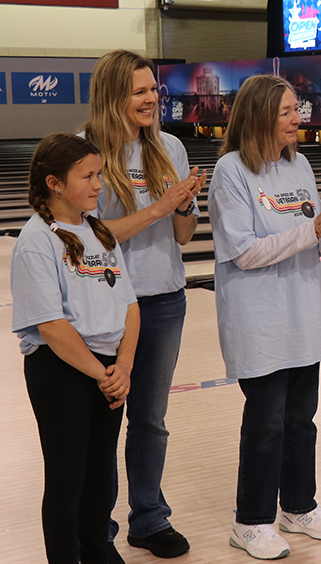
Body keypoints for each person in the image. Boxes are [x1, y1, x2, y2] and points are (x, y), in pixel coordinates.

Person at [208, 74, 321, 560]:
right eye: (286, 111)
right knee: (267, 424)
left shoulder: (298, 164)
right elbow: (243, 252)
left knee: (301, 420)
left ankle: (298, 508)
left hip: (304, 313)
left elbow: (315, 240)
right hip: (258, 318)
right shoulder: (231, 172)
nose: (298, 118)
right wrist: (315, 228)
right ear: (259, 116)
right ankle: (250, 521)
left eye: (296, 109)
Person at [83, 49, 206, 560]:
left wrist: (185, 203)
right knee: (104, 422)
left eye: (154, 89)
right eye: (140, 91)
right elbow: (90, 235)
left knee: (150, 420)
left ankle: (149, 519)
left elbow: (183, 235)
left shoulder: (170, 147)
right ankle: (98, 529)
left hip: (163, 299)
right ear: (114, 96)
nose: (152, 98)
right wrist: (159, 206)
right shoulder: (86, 150)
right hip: (105, 306)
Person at [12, 133, 139, 564]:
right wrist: (103, 373)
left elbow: (130, 305)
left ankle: (97, 549)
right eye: (87, 176)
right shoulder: (37, 240)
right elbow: (51, 325)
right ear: (55, 183)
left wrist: (123, 365)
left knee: (101, 472)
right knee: (67, 479)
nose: (98, 184)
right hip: (61, 369)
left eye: (98, 174)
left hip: (109, 369)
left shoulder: (97, 229)